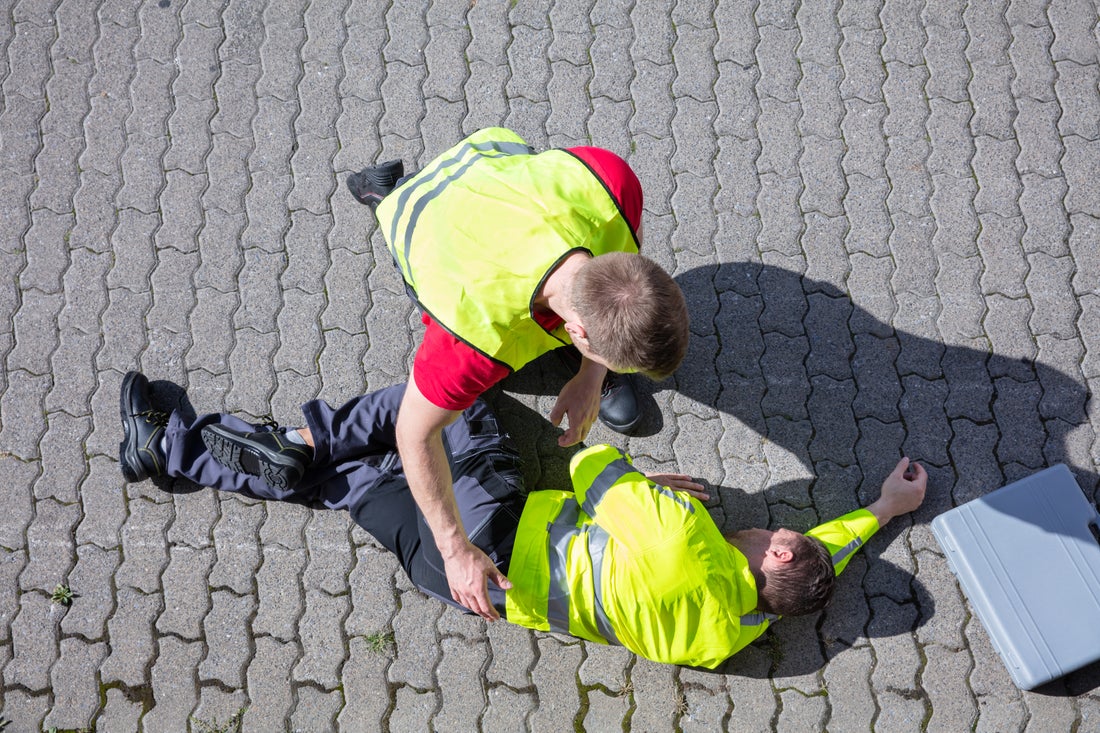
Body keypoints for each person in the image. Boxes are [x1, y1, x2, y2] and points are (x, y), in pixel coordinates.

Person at [119, 371, 927, 668]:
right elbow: (819, 562)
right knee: (353, 486)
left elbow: (590, 467)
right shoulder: (733, 635)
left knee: (444, 400)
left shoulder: (685, 537)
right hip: (472, 588)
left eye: (777, 534)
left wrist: (652, 488)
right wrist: (881, 512)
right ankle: (170, 449)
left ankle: (305, 438)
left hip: (495, 527)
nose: (770, 525)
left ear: (778, 548)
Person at [336, 127, 689, 620]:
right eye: (607, 358)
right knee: (405, 215)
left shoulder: (613, 184)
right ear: (578, 333)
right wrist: (455, 550)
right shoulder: (473, 336)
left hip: (487, 158)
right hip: (426, 219)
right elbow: (414, 436)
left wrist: (590, 376)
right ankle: (382, 192)